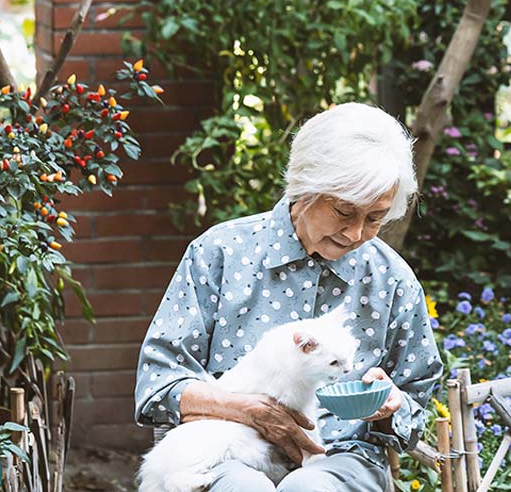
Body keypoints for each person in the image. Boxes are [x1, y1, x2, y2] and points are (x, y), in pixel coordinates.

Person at [134, 102, 444, 492]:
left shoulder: (392, 279)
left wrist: (391, 406)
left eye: (375, 218)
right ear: (306, 186)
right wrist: (247, 410)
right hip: (226, 449)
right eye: (344, 211)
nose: (355, 233)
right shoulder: (220, 253)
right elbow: (158, 386)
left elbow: (415, 409)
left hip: (341, 458)